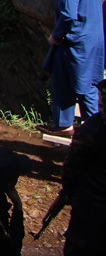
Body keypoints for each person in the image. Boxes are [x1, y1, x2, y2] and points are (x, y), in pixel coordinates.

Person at [40, 0, 104, 136]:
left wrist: (55, 36)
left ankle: (94, 131)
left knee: (82, 88)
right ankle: (65, 125)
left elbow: (68, 15)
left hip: (76, 44)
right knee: (74, 83)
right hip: (95, 40)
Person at [60, 78, 106, 255]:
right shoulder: (91, 129)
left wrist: (71, 193)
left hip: (91, 207)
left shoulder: (90, 131)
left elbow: (70, 171)